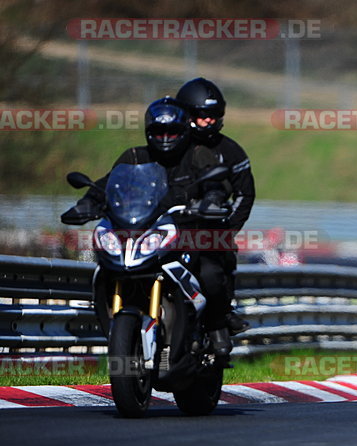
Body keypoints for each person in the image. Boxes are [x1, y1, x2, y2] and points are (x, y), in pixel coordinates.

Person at [61, 97, 235, 366]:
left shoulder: (198, 154)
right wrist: (87, 203)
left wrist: (212, 199)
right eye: (158, 132)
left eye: (172, 132)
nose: (165, 138)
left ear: (184, 131)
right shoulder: (133, 157)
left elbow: (216, 183)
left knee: (211, 273)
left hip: (188, 233)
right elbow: (107, 185)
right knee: (104, 268)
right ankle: (122, 335)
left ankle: (215, 329)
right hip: (139, 234)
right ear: (148, 132)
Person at [176, 77, 256, 337]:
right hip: (168, 231)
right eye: (202, 115)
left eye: (214, 115)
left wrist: (227, 228)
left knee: (213, 273)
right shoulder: (170, 146)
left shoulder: (231, 151)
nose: (209, 120)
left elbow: (245, 193)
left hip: (210, 234)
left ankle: (220, 318)